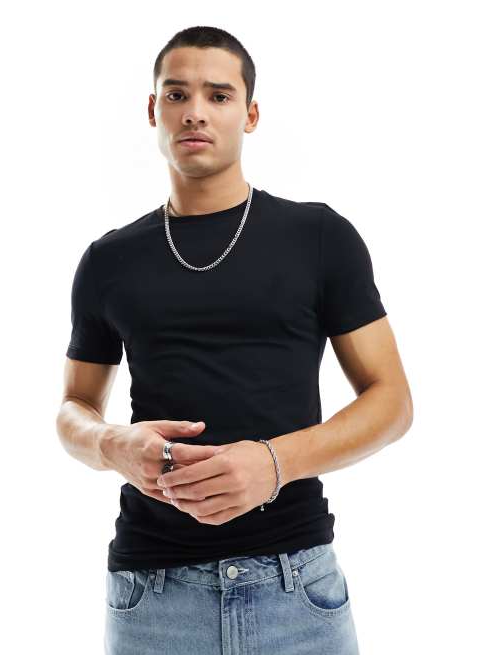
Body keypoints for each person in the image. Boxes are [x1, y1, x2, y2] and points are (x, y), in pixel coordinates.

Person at [56, 25, 413, 655]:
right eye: (177, 94)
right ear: (153, 110)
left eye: (218, 95)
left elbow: (392, 403)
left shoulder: (319, 237)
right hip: (152, 596)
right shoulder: (109, 260)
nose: (195, 111)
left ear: (249, 115)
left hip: (296, 588)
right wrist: (112, 445)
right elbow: (73, 409)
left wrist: (274, 464)